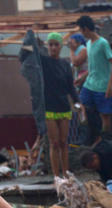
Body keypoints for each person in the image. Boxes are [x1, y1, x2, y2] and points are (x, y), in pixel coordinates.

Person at [34, 32, 79, 177]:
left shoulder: (65, 64)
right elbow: (34, 54)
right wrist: (36, 43)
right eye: (51, 44)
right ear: (48, 46)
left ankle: (65, 173)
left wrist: (78, 101)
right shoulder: (44, 62)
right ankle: (56, 175)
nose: (53, 47)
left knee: (63, 142)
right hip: (48, 108)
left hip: (63, 107)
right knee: (54, 143)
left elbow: (70, 86)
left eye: (56, 44)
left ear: (60, 46)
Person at [76, 15, 112, 140]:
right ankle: (88, 136)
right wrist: (82, 78)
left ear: (86, 29)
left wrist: (110, 85)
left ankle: (105, 140)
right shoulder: (88, 44)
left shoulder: (103, 43)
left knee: (105, 116)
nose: (81, 33)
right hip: (89, 85)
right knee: (81, 106)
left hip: (102, 87)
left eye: (81, 30)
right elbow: (93, 67)